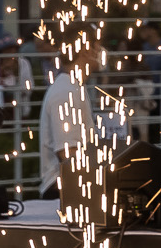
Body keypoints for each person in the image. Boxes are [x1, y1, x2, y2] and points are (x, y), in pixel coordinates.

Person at [37, 26, 129, 199]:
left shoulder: (74, 87)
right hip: (61, 191)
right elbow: (68, 154)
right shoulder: (66, 92)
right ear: (86, 50)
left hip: (74, 185)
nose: (101, 52)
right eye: (97, 47)